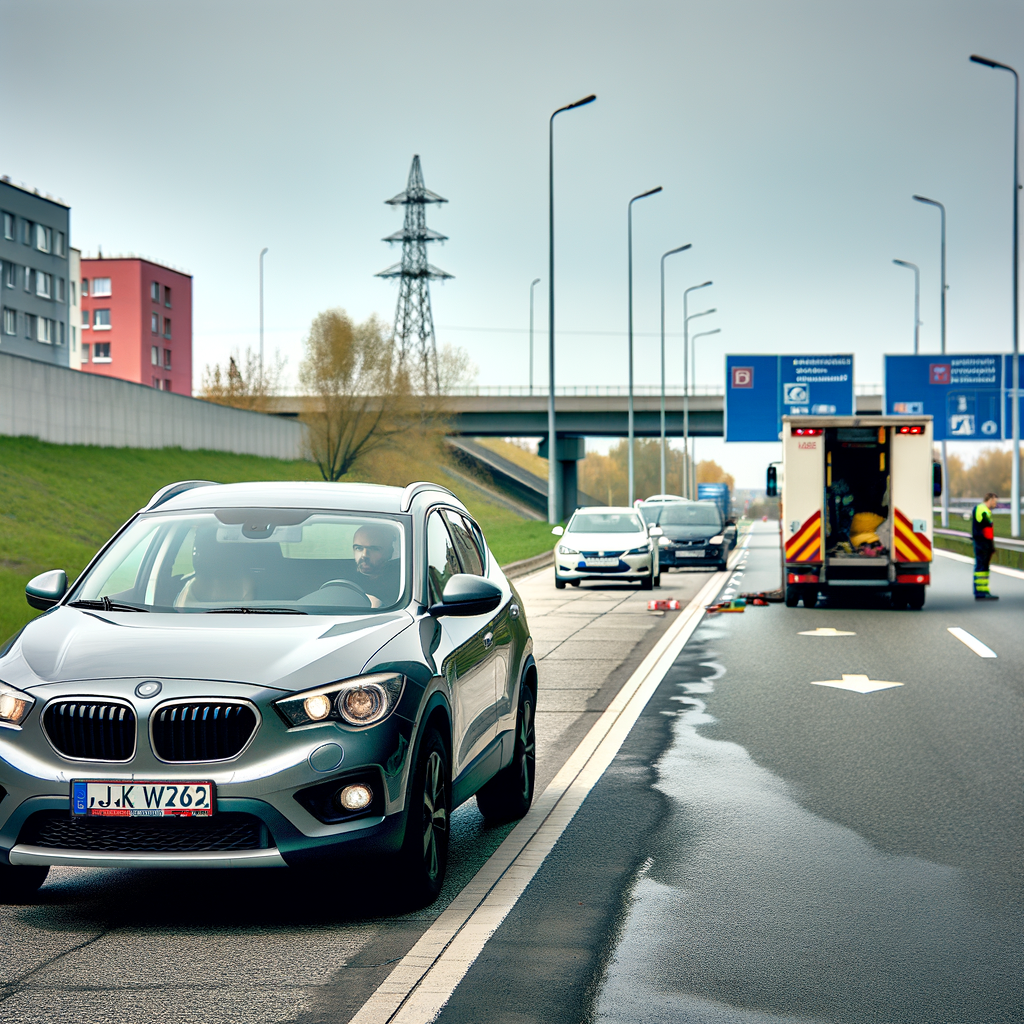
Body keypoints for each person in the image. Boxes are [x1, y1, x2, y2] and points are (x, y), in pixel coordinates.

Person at [352, 523, 401, 607]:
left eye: (374, 549)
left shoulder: (403, 583)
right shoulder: (347, 579)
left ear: (390, 552)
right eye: (359, 548)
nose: (364, 555)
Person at [972, 492, 999, 600]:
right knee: (981, 567)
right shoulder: (982, 509)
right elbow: (986, 529)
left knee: (983, 567)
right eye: (995, 502)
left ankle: (983, 590)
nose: (995, 504)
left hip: (984, 543)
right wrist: (989, 545)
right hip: (982, 543)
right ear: (990, 499)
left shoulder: (983, 509)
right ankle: (980, 592)